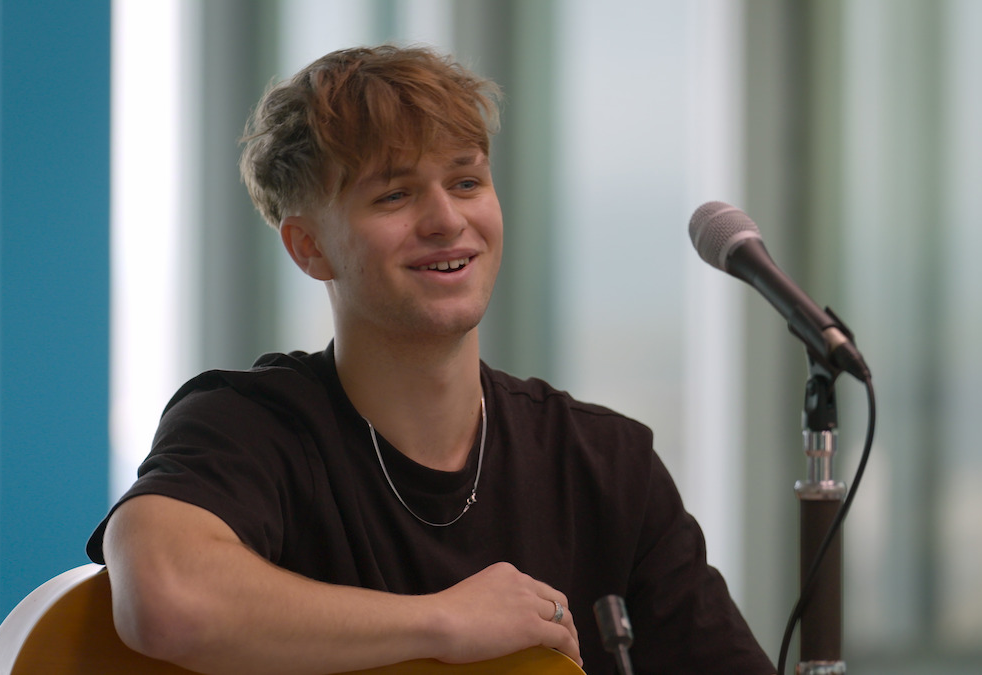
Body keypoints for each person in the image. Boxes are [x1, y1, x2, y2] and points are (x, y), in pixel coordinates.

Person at [87, 44, 775, 675]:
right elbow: (167, 598)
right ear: (308, 247)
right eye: (395, 193)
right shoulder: (249, 426)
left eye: (467, 182)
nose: (447, 219)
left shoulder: (605, 464)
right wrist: (443, 621)